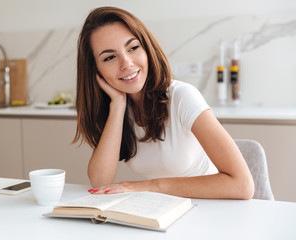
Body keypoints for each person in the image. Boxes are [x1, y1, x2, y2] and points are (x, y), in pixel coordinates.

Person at [73, 6, 254, 199]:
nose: (126, 63)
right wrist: (117, 105)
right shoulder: (119, 109)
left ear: (147, 49)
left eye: (133, 48)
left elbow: (242, 185)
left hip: (211, 207)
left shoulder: (182, 97)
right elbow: (100, 181)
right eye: (109, 57)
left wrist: (151, 186)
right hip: (164, 210)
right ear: (96, 72)